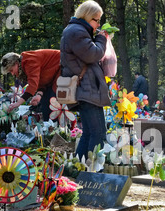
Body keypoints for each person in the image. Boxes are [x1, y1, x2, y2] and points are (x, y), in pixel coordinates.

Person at [60, 0, 110, 162]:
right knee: (98, 133)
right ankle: (92, 171)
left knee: (90, 132)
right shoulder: (76, 32)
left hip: (85, 89)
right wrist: (101, 39)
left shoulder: (76, 30)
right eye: (96, 20)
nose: (98, 25)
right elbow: (93, 54)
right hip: (86, 89)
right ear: (87, 17)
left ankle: (79, 169)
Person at [0, 49, 61, 121]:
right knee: (45, 104)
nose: (12, 74)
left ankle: (58, 128)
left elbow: (33, 85)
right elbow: (41, 80)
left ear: (16, 63)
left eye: (11, 70)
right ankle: (50, 126)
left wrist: (18, 103)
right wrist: (39, 94)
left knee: (53, 103)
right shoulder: (25, 65)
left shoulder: (30, 61)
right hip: (53, 77)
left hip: (62, 67)